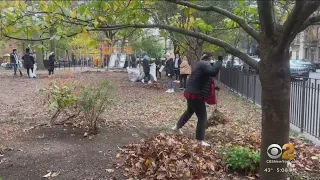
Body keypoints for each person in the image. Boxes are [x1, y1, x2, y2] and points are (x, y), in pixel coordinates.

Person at [172, 51, 222, 146]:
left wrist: (214, 87)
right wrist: (220, 61)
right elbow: (213, 72)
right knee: (202, 117)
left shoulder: (201, 65)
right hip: (195, 94)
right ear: (208, 58)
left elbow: (202, 80)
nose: (211, 61)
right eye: (211, 59)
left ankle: (177, 126)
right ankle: (200, 140)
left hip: (191, 92)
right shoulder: (204, 64)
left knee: (189, 111)